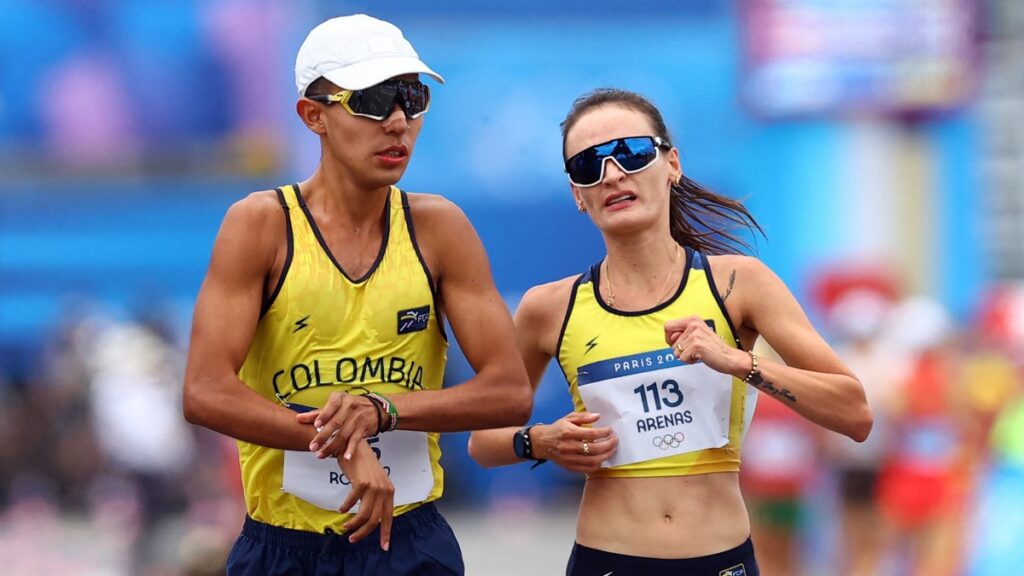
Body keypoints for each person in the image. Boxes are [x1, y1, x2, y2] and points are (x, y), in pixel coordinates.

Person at [468, 88, 873, 576]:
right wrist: (541, 441)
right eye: (587, 166)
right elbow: (482, 440)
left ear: (672, 164)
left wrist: (736, 361)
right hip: (607, 560)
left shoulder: (738, 283)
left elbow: (855, 413)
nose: (613, 174)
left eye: (632, 152)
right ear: (578, 195)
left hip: (721, 560)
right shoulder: (549, 307)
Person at [182, 14, 532, 576]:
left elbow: (509, 392)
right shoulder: (260, 225)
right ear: (312, 115)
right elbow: (204, 392)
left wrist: (381, 412)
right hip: (284, 547)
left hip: (410, 543)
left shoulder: (440, 228)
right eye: (372, 100)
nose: (398, 122)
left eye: (411, 98)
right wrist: (343, 442)